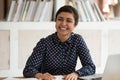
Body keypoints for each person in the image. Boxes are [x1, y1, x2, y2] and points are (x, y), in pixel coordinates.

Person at [23, 5, 96, 80]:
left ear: (75, 25)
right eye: (60, 19)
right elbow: (28, 69)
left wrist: (76, 73)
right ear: (56, 21)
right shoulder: (44, 43)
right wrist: (40, 75)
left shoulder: (77, 40)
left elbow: (90, 67)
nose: (63, 24)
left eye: (69, 20)